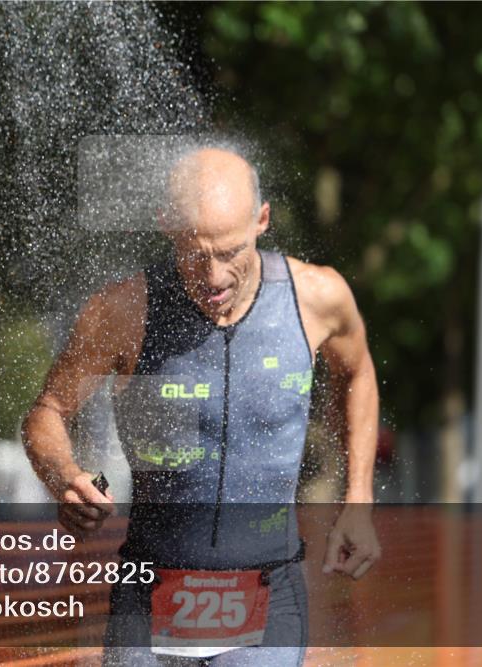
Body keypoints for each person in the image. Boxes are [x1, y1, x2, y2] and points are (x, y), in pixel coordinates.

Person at [22, 143, 381, 665]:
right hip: (148, 593)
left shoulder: (317, 298)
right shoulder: (123, 311)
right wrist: (62, 475)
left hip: (268, 591)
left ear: (262, 220)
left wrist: (359, 499)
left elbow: (358, 373)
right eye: (195, 253)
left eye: (231, 251)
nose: (213, 277)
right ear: (167, 225)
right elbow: (48, 410)